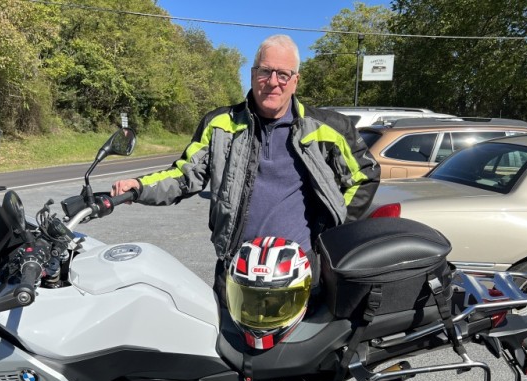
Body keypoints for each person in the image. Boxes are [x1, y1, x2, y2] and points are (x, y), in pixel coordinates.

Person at [111, 34, 380, 302]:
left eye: (283, 74)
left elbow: (365, 175)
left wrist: (333, 232)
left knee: (303, 344)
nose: (273, 82)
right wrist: (139, 187)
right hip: (235, 270)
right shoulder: (220, 125)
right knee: (223, 343)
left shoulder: (328, 128)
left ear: (295, 81)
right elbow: (184, 175)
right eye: (265, 71)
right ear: (252, 75)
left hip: (300, 271)